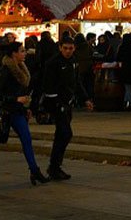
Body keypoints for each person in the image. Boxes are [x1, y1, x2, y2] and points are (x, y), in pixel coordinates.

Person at [0, 42, 51, 187]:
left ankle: (34, 171)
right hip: (5, 112)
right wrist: (15, 99)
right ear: (13, 54)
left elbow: (21, 91)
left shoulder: (21, 68)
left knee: (26, 139)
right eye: (21, 51)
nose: (24, 53)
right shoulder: (7, 70)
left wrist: (25, 107)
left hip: (17, 111)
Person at [41, 37, 93, 181]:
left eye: (71, 48)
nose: (68, 51)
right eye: (65, 48)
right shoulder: (53, 63)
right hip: (58, 103)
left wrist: (85, 99)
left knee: (62, 134)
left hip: (67, 102)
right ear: (60, 47)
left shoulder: (73, 61)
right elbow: (48, 85)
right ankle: (54, 166)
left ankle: (55, 166)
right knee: (65, 133)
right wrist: (55, 102)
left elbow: (77, 82)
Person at [74, 33, 95, 107]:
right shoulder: (88, 46)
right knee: (88, 84)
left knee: (80, 84)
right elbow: (92, 53)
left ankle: (80, 101)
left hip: (79, 67)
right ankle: (89, 99)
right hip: (88, 66)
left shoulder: (76, 47)